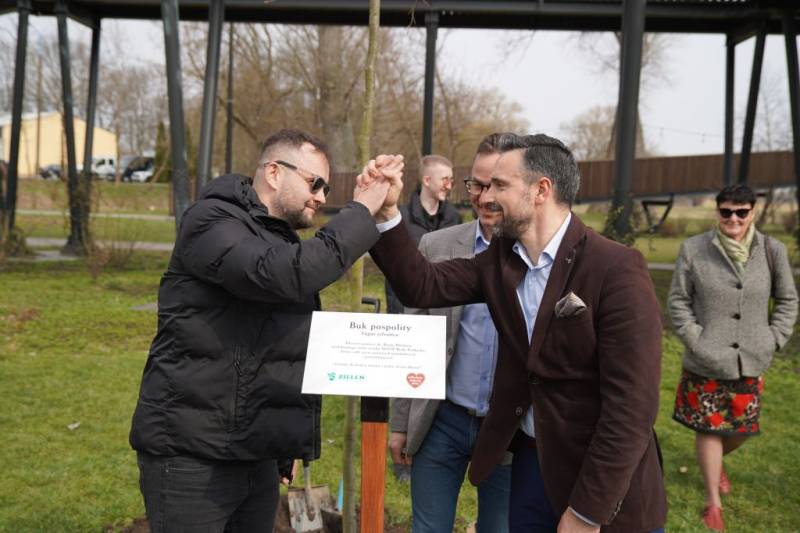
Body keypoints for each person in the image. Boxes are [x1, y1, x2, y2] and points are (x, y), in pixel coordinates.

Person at [366, 133, 667, 533]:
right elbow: (422, 286)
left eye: (499, 186)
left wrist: (587, 511)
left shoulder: (616, 268)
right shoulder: (501, 260)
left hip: (604, 484)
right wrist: (387, 213)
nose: (486, 197)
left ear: (541, 190)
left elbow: (632, 408)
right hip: (530, 470)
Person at [128, 129, 401, 533]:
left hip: (253, 455)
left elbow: (268, 344)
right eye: (315, 183)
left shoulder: (272, 236)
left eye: (326, 188)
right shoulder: (211, 221)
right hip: (193, 456)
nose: (321, 197)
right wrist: (361, 210)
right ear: (274, 172)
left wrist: (279, 443)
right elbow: (285, 274)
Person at [389, 133, 517, 533]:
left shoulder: (538, 256)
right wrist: (400, 422)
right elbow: (413, 337)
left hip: (508, 429)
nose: (484, 196)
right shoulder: (437, 246)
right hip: (442, 419)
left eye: (496, 185)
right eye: (477, 184)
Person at [668, 184, 797, 531]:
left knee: (742, 429)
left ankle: (713, 462)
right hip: (706, 357)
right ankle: (713, 503)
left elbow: (788, 300)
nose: (734, 219)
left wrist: (774, 338)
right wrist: (696, 340)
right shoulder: (694, 249)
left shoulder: (772, 250)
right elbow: (678, 301)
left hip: (752, 356)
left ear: (752, 212)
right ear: (718, 212)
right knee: (709, 428)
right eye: (726, 212)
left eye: (741, 212)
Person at [385, 154, 462, 313]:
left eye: (451, 180)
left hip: (443, 310)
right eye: (445, 180)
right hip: (408, 311)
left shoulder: (455, 218)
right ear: (427, 180)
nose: (449, 186)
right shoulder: (400, 220)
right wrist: (397, 313)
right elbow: (392, 271)